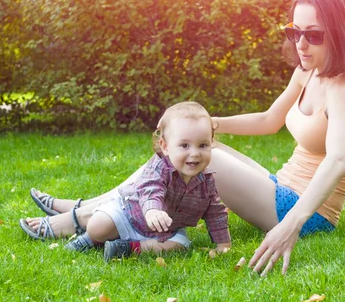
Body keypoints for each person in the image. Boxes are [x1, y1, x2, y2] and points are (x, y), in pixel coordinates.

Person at [21, 0, 345, 275]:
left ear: (339, 33)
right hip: (279, 186)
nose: (300, 43)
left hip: (308, 211)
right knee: (197, 148)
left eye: (312, 34)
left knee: (196, 158)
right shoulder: (308, 71)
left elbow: (338, 160)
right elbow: (270, 120)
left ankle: (78, 216)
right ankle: (87, 209)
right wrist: (213, 125)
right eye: (294, 31)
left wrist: (291, 224)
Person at [20, 101, 232, 261]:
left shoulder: (207, 181)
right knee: (98, 226)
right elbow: (151, 190)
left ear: (211, 144)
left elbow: (215, 211)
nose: (194, 154)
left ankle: (126, 248)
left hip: (168, 230)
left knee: (179, 246)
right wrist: (152, 210)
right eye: (184, 146)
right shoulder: (159, 167)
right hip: (130, 215)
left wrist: (223, 244)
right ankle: (90, 238)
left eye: (202, 145)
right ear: (165, 146)